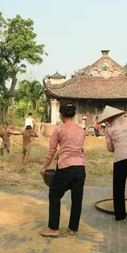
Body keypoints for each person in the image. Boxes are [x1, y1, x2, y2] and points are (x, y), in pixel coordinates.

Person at [40, 101, 86, 237]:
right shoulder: (81, 129)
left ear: (61, 114)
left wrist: (44, 167)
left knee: (54, 194)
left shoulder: (59, 129)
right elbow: (79, 148)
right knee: (77, 199)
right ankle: (73, 228)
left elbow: (52, 150)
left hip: (66, 167)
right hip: (80, 167)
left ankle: (54, 228)